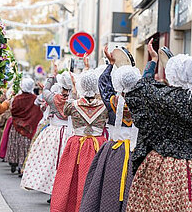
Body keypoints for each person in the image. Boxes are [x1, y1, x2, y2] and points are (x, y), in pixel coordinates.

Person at [125, 44, 192, 211]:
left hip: (165, 168)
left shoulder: (162, 97)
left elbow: (139, 88)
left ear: (172, 75)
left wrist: (153, 61)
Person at [79, 45, 142, 212]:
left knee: (108, 186)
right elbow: (148, 81)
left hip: (114, 152)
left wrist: (111, 64)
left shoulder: (113, 101)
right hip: (137, 152)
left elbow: (103, 83)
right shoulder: (144, 103)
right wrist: (154, 62)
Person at [50, 70, 108, 212]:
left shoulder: (72, 105)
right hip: (98, 145)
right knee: (97, 179)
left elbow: (65, 110)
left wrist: (75, 89)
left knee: (72, 179)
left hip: (77, 145)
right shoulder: (104, 106)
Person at [21, 66, 73, 198]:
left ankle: (51, 188)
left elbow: (45, 90)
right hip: (70, 133)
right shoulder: (75, 100)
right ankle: (63, 190)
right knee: (65, 163)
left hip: (53, 133)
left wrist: (52, 75)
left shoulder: (53, 98)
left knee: (50, 162)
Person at [5, 78, 43, 174]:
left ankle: (13, 161)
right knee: (25, 146)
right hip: (29, 126)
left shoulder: (17, 98)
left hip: (17, 125)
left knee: (15, 144)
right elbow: (38, 113)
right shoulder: (35, 99)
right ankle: (23, 166)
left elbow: (13, 111)